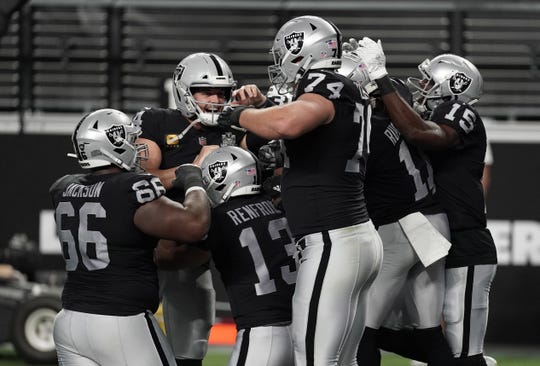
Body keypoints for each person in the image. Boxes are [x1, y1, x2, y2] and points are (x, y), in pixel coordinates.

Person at [217, 15, 383, 366]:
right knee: (342, 360)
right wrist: (260, 110)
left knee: (313, 358)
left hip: (332, 239)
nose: (279, 65)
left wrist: (234, 114)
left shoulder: (323, 82)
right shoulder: (341, 87)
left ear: (299, 50)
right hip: (352, 235)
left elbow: (286, 123)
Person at [355, 38, 498, 366]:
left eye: (430, 81)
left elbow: (425, 135)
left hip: (464, 241)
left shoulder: (459, 111)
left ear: (453, 85)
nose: (423, 87)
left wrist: (380, 77)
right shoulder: (428, 114)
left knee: (463, 350)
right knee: (409, 333)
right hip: (432, 234)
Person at [134, 52, 269, 366]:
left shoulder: (233, 124)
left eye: (222, 92)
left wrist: (261, 108)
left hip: (200, 245)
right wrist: (192, 169)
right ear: (184, 90)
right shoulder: (157, 120)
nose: (215, 99)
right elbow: (138, 181)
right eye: (206, 91)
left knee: (191, 348)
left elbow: (275, 146)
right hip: (152, 245)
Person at [49, 108, 211, 366]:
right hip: (121, 321)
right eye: (131, 140)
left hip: (70, 321)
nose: (137, 147)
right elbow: (194, 225)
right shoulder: (131, 188)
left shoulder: (63, 187)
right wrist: (193, 180)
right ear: (114, 143)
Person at [338, 50, 456, 366]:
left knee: (362, 330)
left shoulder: (366, 132)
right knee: (429, 332)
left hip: (402, 227)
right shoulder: (394, 120)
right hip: (433, 223)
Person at [202, 146, 296, 366]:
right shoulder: (277, 204)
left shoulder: (219, 217)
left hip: (262, 330)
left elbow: (175, 257)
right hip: (302, 324)